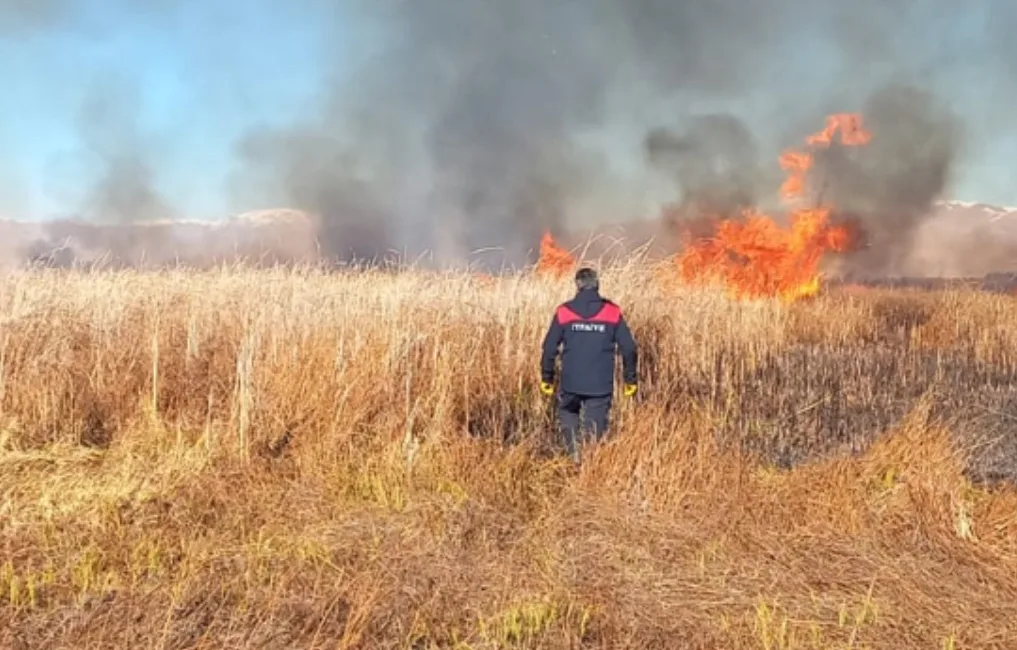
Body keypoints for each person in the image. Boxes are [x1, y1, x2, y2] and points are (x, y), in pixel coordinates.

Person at [539, 267, 638, 462]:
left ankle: (574, 458)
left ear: (577, 286)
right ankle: (591, 467)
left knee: (568, 414)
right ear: (597, 284)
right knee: (595, 431)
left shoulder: (564, 312)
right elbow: (629, 348)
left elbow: (549, 347)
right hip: (599, 386)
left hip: (570, 383)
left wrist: (547, 378)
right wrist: (630, 380)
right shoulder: (612, 312)